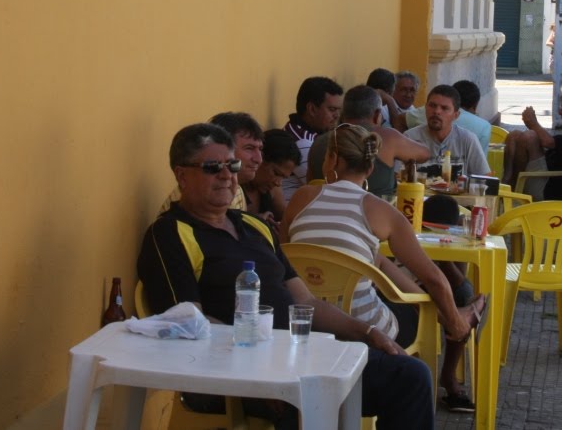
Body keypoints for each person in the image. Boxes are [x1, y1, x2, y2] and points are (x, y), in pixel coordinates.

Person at [138, 123, 434, 430]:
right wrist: (262, 373)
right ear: (182, 175)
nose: (227, 176)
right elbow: (191, 324)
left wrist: (367, 331)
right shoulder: (170, 234)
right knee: (308, 407)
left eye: (232, 165)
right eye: (213, 167)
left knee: (410, 377)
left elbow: (306, 301)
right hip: (235, 377)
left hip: (300, 360)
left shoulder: (255, 226)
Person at [282, 124, 486, 413]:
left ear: (333, 160)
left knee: (375, 260)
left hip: (306, 320)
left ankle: (449, 317)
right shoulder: (381, 211)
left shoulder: (301, 198)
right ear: (370, 166)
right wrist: (452, 319)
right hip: (365, 326)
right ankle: (455, 323)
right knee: (426, 300)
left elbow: (285, 256)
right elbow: (435, 279)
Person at [307, 85, 431, 198]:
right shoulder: (387, 137)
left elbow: (311, 184)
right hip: (376, 216)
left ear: (343, 114)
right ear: (377, 114)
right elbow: (425, 153)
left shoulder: (318, 142)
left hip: (327, 212)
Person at [161, 111, 264, 213]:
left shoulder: (235, 189)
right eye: (249, 148)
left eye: (260, 149)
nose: (259, 159)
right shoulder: (189, 204)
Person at [404, 85, 491, 178]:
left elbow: (484, 179)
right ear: (425, 108)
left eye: (444, 108)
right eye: (432, 106)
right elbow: (397, 177)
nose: (437, 111)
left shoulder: (468, 140)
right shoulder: (410, 138)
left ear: (456, 115)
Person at [282, 76, 344, 200]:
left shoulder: (305, 132)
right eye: (332, 110)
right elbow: (329, 190)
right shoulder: (302, 142)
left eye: (339, 110)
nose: (337, 116)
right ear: (312, 109)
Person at [242, 129, 300, 224]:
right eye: (276, 173)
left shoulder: (271, 189)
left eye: (283, 177)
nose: (278, 183)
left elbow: (288, 219)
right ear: (260, 159)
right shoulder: (234, 188)